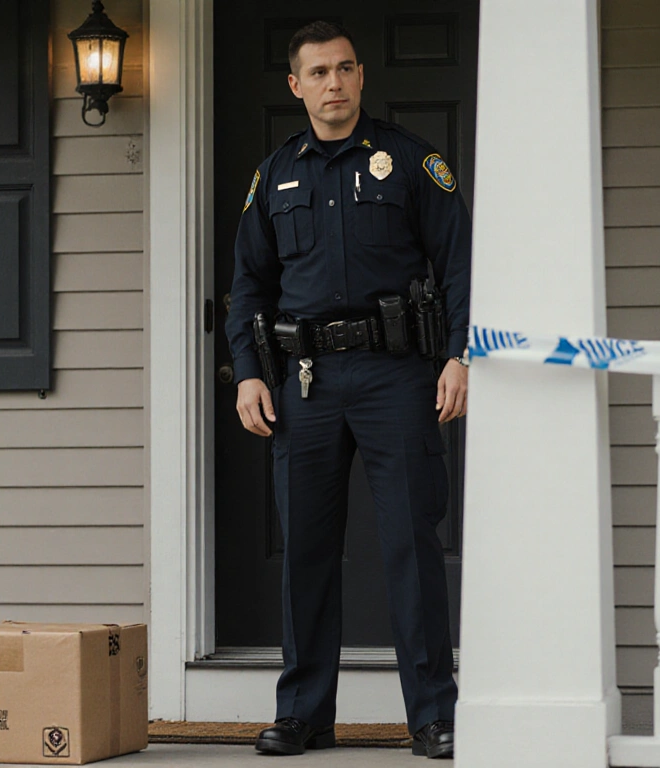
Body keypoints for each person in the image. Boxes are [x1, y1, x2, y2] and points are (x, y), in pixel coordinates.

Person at [225, 20, 472, 761]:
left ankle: (432, 714)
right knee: (305, 547)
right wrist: (246, 373)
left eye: (344, 70)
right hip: (305, 383)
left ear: (361, 78)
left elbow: (461, 263)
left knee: (409, 544)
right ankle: (303, 713)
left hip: (397, 376)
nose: (333, 84)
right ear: (296, 86)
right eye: (318, 73)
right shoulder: (275, 177)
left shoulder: (409, 162)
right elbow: (247, 289)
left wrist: (460, 357)